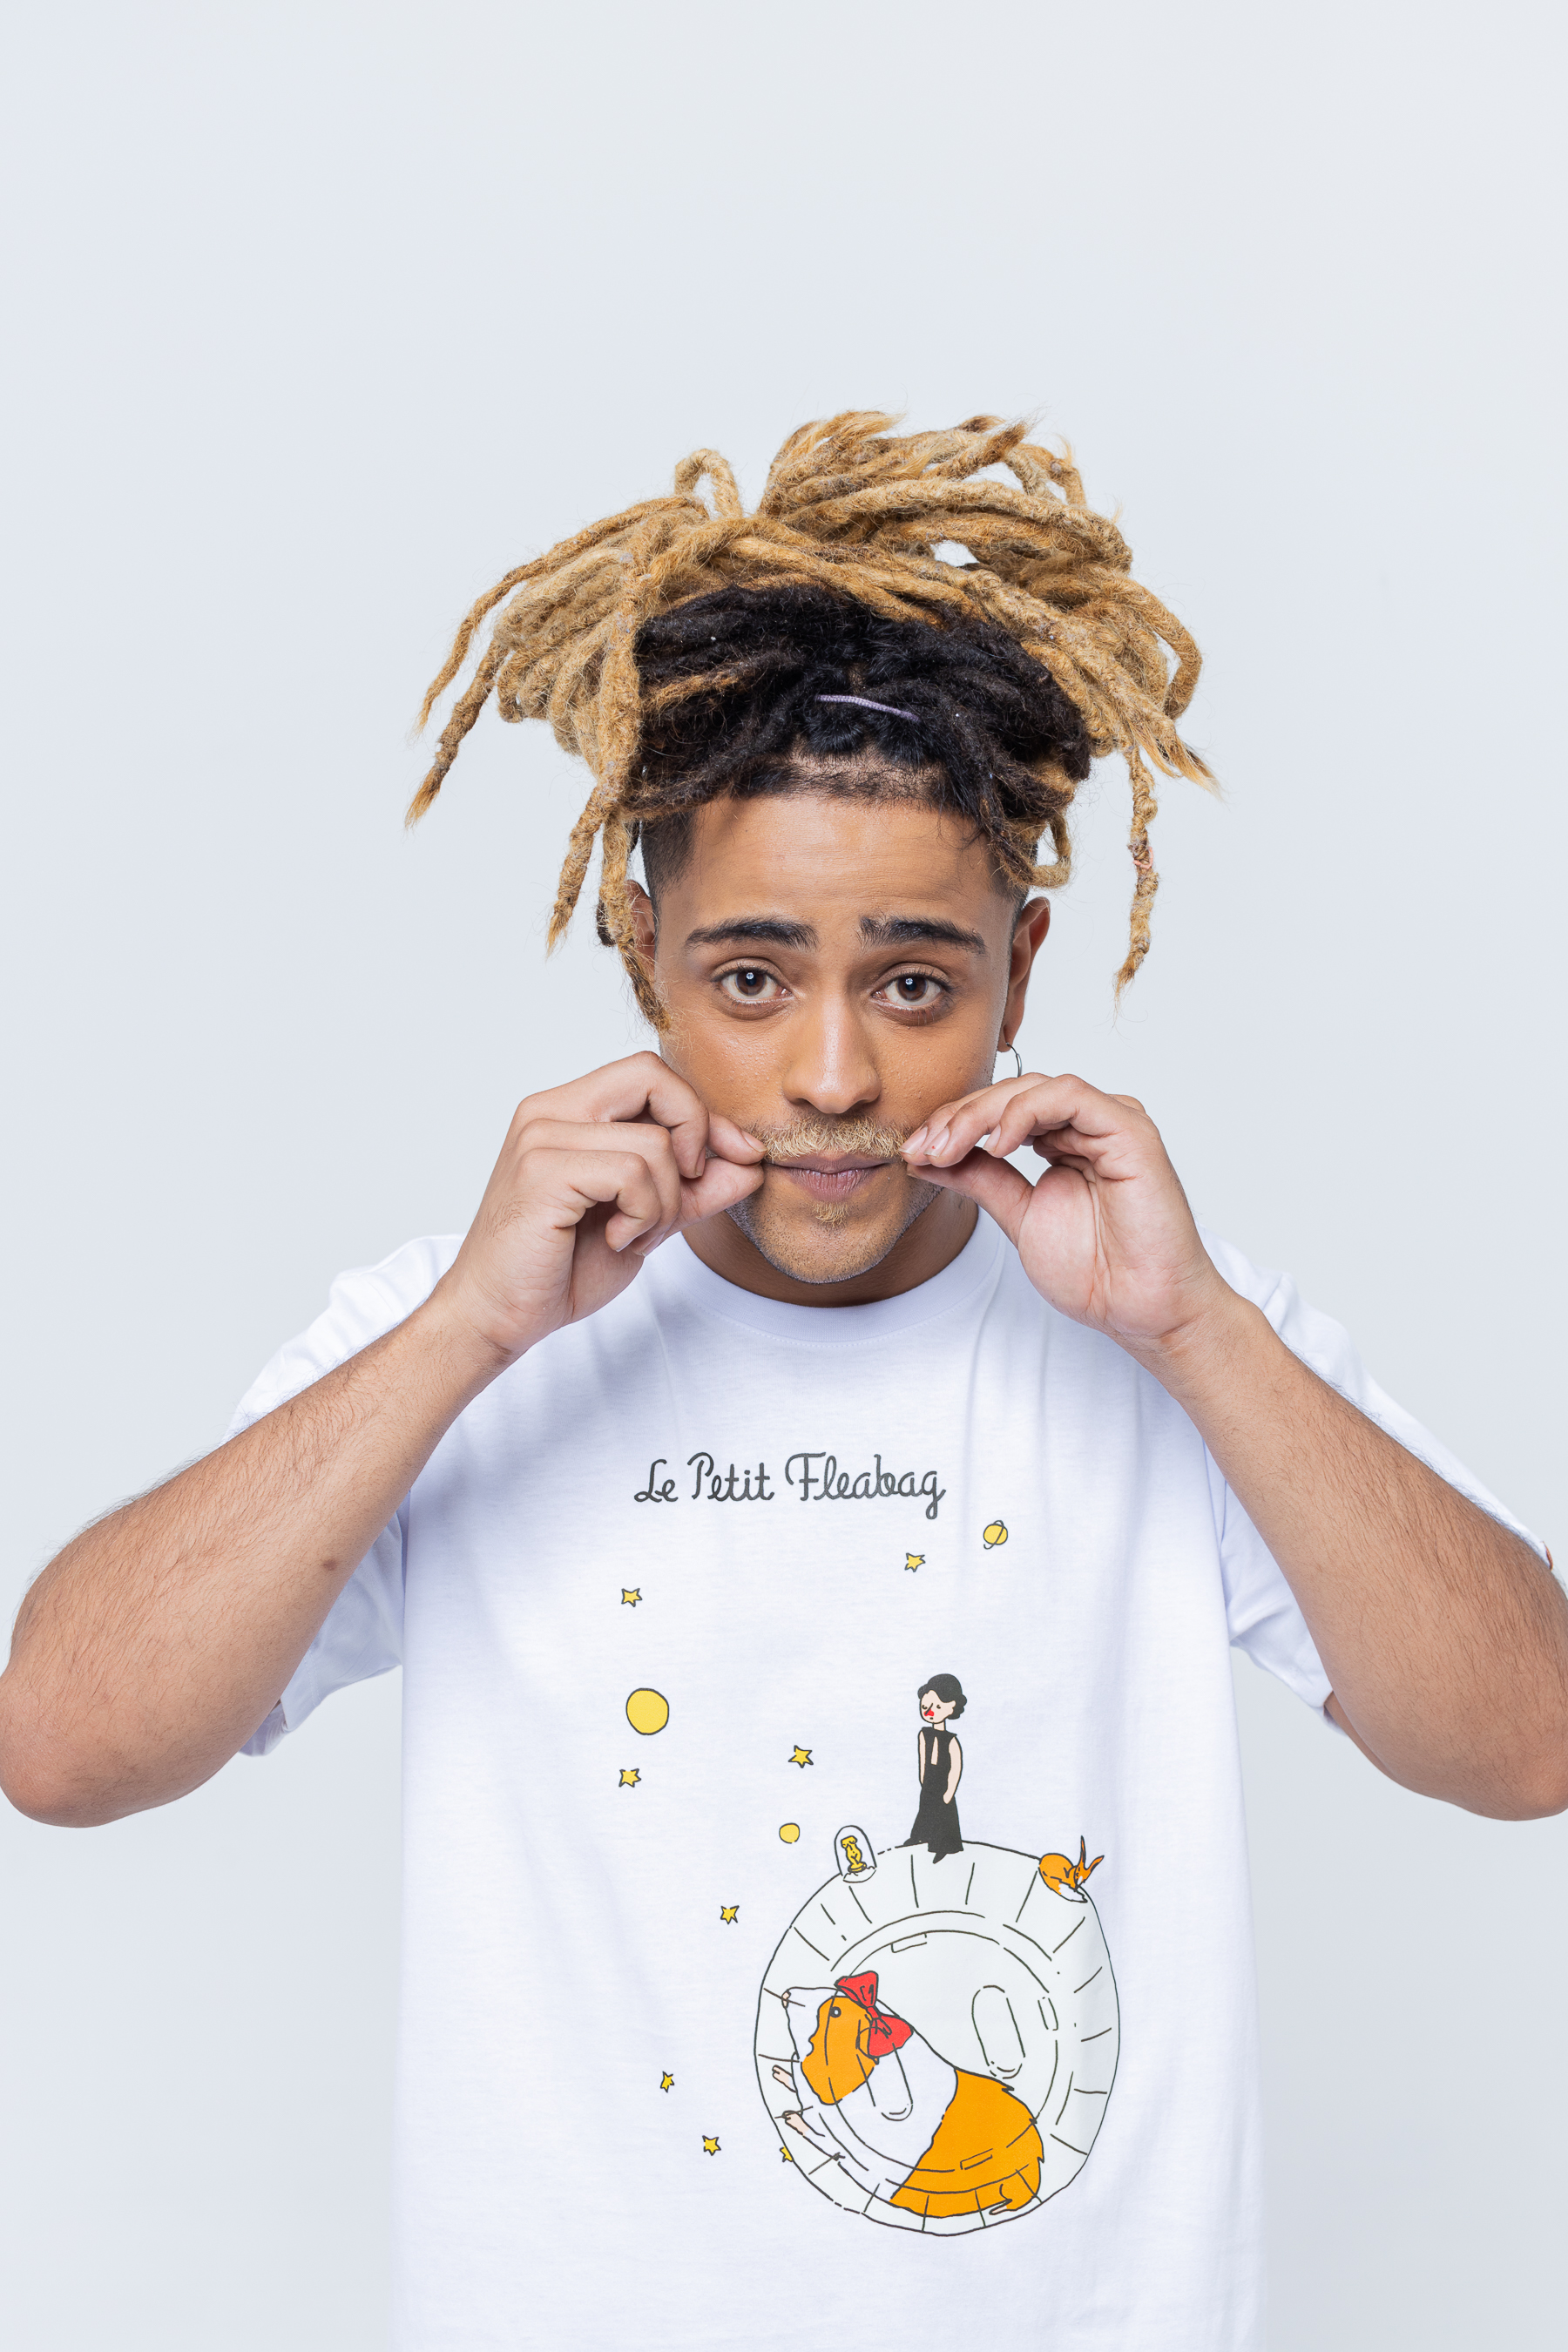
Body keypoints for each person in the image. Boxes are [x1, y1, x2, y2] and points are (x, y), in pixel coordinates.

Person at [0, 411, 1561, 2350]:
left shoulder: (1179, 1335)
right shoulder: (458, 1330)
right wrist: (469, 1329)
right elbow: (63, 1748)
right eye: (751, 979)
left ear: (1020, 971)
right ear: (641, 952)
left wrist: (1197, 1335)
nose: (833, 1073)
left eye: (915, 982)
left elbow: (1530, 1749)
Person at [906, 1673, 965, 1860]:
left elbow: (956, 1768)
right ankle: (920, 1837)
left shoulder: (951, 1740)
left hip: (944, 1785)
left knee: (944, 1817)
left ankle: (943, 1846)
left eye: (937, 1707)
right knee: (925, 1811)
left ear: (952, 1706)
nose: (930, 1711)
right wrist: (923, 1780)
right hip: (929, 1783)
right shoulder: (924, 1734)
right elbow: (923, 1759)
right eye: (925, 1707)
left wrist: (949, 1792)